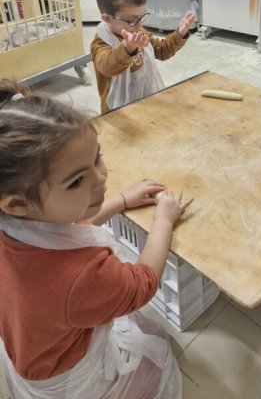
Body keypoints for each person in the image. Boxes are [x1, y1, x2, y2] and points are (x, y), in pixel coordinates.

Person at [0, 79, 193, 398]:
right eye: (77, 181)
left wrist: (122, 200)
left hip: (32, 352)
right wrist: (163, 221)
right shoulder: (83, 273)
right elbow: (143, 284)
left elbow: (70, 225)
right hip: (72, 377)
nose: (101, 178)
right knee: (154, 359)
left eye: (97, 158)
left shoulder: (16, 220)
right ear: (18, 204)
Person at [91, 0, 195, 114]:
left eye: (142, 17)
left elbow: (161, 50)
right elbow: (107, 66)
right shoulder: (101, 44)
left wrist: (179, 34)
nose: (139, 24)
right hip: (118, 113)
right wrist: (126, 49)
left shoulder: (137, 30)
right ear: (107, 18)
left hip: (146, 101)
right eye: (132, 20)